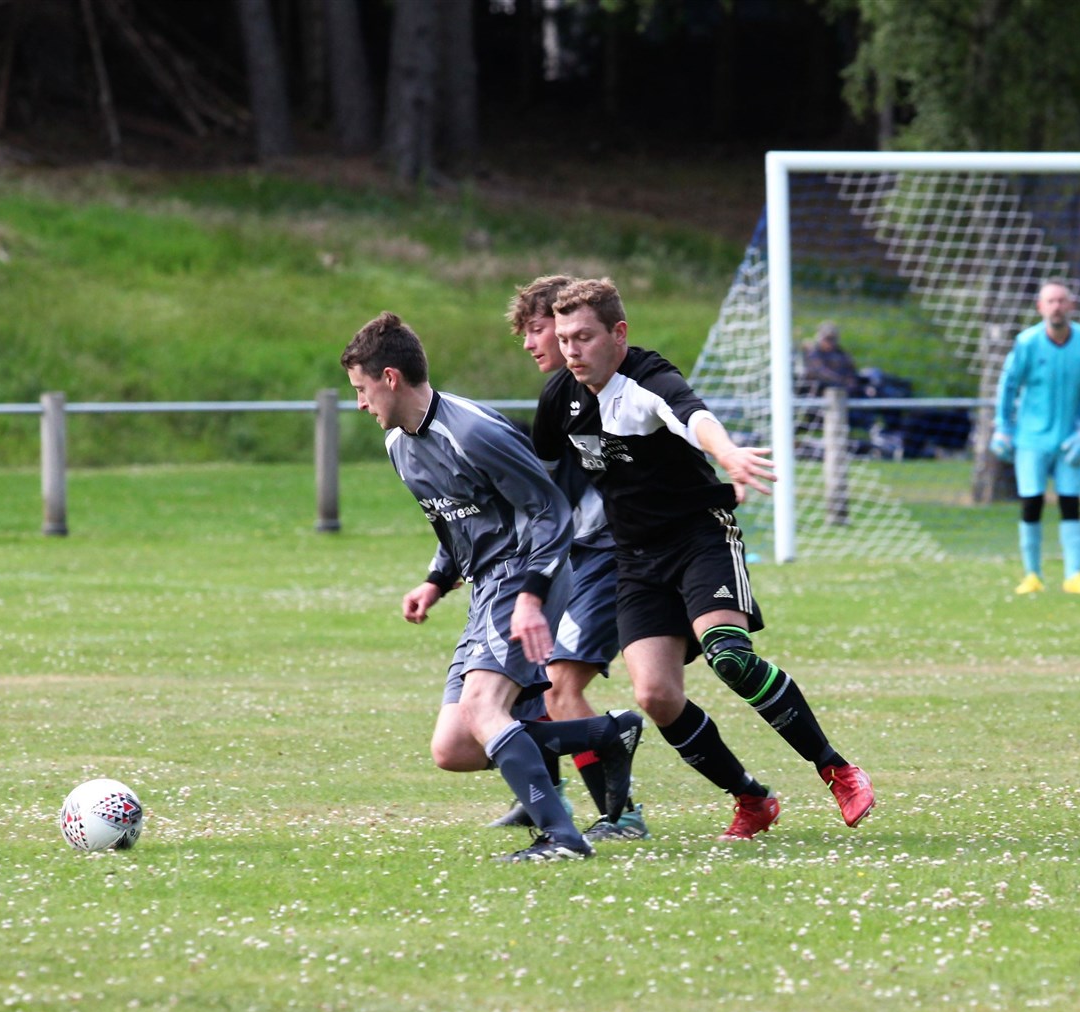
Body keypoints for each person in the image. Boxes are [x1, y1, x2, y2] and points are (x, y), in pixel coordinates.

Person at [535, 278, 875, 841]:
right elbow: (538, 473)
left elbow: (692, 417)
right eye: (564, 337)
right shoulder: (560, 399)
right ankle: (751, 798)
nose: (571, 349)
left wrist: (729, 454)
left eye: (585, 337)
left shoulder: (648, 380)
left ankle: (836, 769)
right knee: (655, 695)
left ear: (618, 335)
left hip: (699, 540)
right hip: (636, 561)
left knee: (730, 658)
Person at [339, 311, 644, 862]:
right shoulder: (398, 446)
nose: (361, 404)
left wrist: (531, 595)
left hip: (526, 575)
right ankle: (604, 734)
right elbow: (455, 521)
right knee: (454, 747)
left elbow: (552, 512)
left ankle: (562, 838)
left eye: (362, 390)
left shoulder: (474, 431)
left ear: (389, 378)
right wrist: (436, 580)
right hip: (486, 587)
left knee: (484, 709)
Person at [486, 274, 650, 841]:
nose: (533, 344)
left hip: (610, 556)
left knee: (559, 683)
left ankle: (622, 809)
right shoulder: (561, 398)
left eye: (538, 331)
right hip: (573, 558)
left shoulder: (615, 394)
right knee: (532, 676)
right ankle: (544, 795)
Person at [989, 280, 1080, 596]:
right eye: (1050, 301)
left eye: (1062, 301)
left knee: (1070, 503)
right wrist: (1003, 427)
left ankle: (1074, 574)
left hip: (1068, 440)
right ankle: (1032, 574)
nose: (1056, 307)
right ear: (1040, 307)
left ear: (1072, 306)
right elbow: (1008, 385)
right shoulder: (1027, 343)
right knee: (1032, 503)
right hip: (1032, 439)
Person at [802, 321, 861, 400]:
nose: (830, 342)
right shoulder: (814, 353)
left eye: (833, 339)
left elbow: (851, 368)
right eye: (827, 338)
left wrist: (851, 380)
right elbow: (820, 372)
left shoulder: (840, 352)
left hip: (845, 389)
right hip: (823, 390)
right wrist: (842, 380)